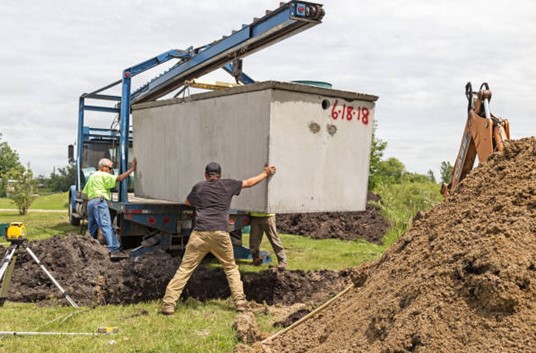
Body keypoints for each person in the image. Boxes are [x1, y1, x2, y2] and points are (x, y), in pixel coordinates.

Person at [161, 162, 276, 316]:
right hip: (220, 233)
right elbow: (249, 183)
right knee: (230, 267)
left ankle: (168, 305)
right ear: (220, 175)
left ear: (205, 175)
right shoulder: (228, 185)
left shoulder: (199, 187)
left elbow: (187, 203)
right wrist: (266, 173)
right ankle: (240, 302)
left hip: (200, 233)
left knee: (185, 269)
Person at [82, 158, 137, 259]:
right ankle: (114, 250)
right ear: (103, 167)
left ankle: (87, 248)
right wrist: (132, 169)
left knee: (92, 227)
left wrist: (87, 204)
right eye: (110, 168)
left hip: (91, 203)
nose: (111, 171)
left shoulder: (92, 176)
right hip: (100, 202)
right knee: (107, 226)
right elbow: (120, 178)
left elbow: (85, 193)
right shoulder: (103, 175)